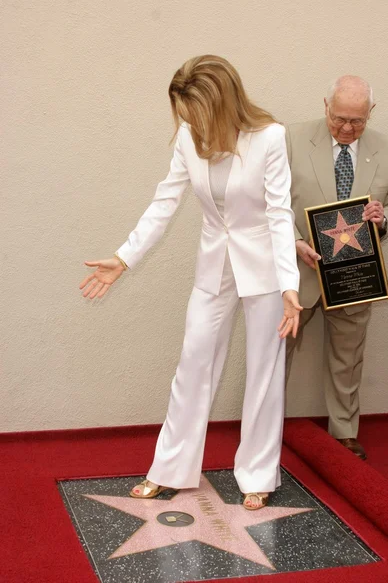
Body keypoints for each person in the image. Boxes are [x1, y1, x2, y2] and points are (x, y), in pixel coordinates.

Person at [80, 55, 302, 510]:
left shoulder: (270, 137)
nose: (192, 125)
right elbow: (165, 200)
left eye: (197, 115)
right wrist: (124, 257)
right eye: (185, 116)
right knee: (193, 361)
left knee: (264, 370)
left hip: (264, 269)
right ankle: (170, 469)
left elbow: (279, 213)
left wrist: (289, 286)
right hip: (213, 266)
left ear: (223, 104)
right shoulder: (187, 135)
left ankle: (258, 474)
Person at [285, 75, 388, 460]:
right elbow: (270, 202)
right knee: (274, 354)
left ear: (371, 113)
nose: (348, 128)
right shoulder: (291, 139)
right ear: (325, 106)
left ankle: (344, 434)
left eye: (358, 121)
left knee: (348, 357)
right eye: (339, 119)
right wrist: (292, 240)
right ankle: (263, 428)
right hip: (297, 269)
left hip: (355, 274)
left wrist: (383, 219)